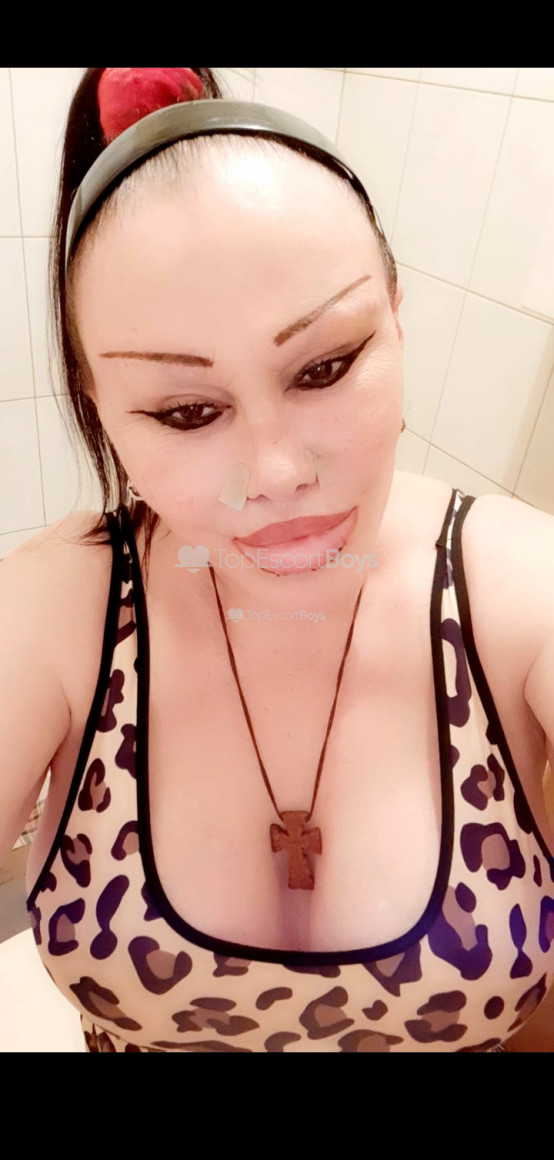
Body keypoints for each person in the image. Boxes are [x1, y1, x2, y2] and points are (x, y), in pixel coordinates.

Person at [1, 67, 553, 1053]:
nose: (276, 473)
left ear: (395, 312)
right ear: (99, 407)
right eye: (186, 412)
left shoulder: (524, 597)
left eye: (324, 367)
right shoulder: (51, 611)